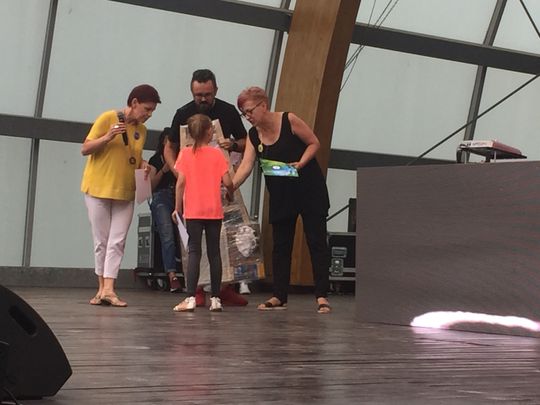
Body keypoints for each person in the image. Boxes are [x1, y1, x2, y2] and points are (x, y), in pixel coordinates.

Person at [232, 86, 332, 314]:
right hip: (281, 192)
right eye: (244, 114)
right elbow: (246, 166)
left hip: (308, 187)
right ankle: (279, 294)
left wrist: (301, 163)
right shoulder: (253, 135)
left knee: (316, 241)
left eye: (250, 111)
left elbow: (314, 142)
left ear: (263, 105)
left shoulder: (289, 120)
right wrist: (231, 186)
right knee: (280, 245)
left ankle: (322, 295)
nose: (248, 117)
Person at [164, 68, 249, 307]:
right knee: (195, 247)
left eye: (207, 94)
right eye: (198, 95)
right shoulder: (183, 113)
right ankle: (199, 290)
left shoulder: (228, 111)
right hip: (197, 192)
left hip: (220, 185)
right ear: (192, 91)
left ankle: (224, 288)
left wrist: (232, 145)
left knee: (226, 237)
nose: (203, 99)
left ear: (216, 90)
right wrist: (179, 172)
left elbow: (246, 141)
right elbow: (169, 147)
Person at [81, 84, 161, 307]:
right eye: (147, 109)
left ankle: (109, 288)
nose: (149, 114)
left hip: (125, 190)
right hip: (99, 188)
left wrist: (143, 165)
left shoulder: (141, 131)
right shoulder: (108, 118)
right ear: (134, 103)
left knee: (118, 240)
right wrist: (107, 137)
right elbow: (85, 148)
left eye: (152, 110)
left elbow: (132, 155)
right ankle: (102, 288)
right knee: (101, 240)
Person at [172, 114, 234, 312]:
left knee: (194, 252)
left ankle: (190, 297)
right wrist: (230, 194)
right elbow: (228, 181)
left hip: (193, 210)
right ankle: (215, 299)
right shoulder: (217, 154)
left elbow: (180, 183)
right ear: (209, 131)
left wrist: (177, 208)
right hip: (213, 210)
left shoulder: (185, 154)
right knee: (215, 253)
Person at [148, 127, 182, 293]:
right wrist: (163, 170)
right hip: (162, 196)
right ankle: (172, 274)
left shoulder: (181, 157)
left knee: (185, 233)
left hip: (179, 196)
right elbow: (150, 186)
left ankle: (187, 272)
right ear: (164, 142)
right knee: (167, 232)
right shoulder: (156, 159)